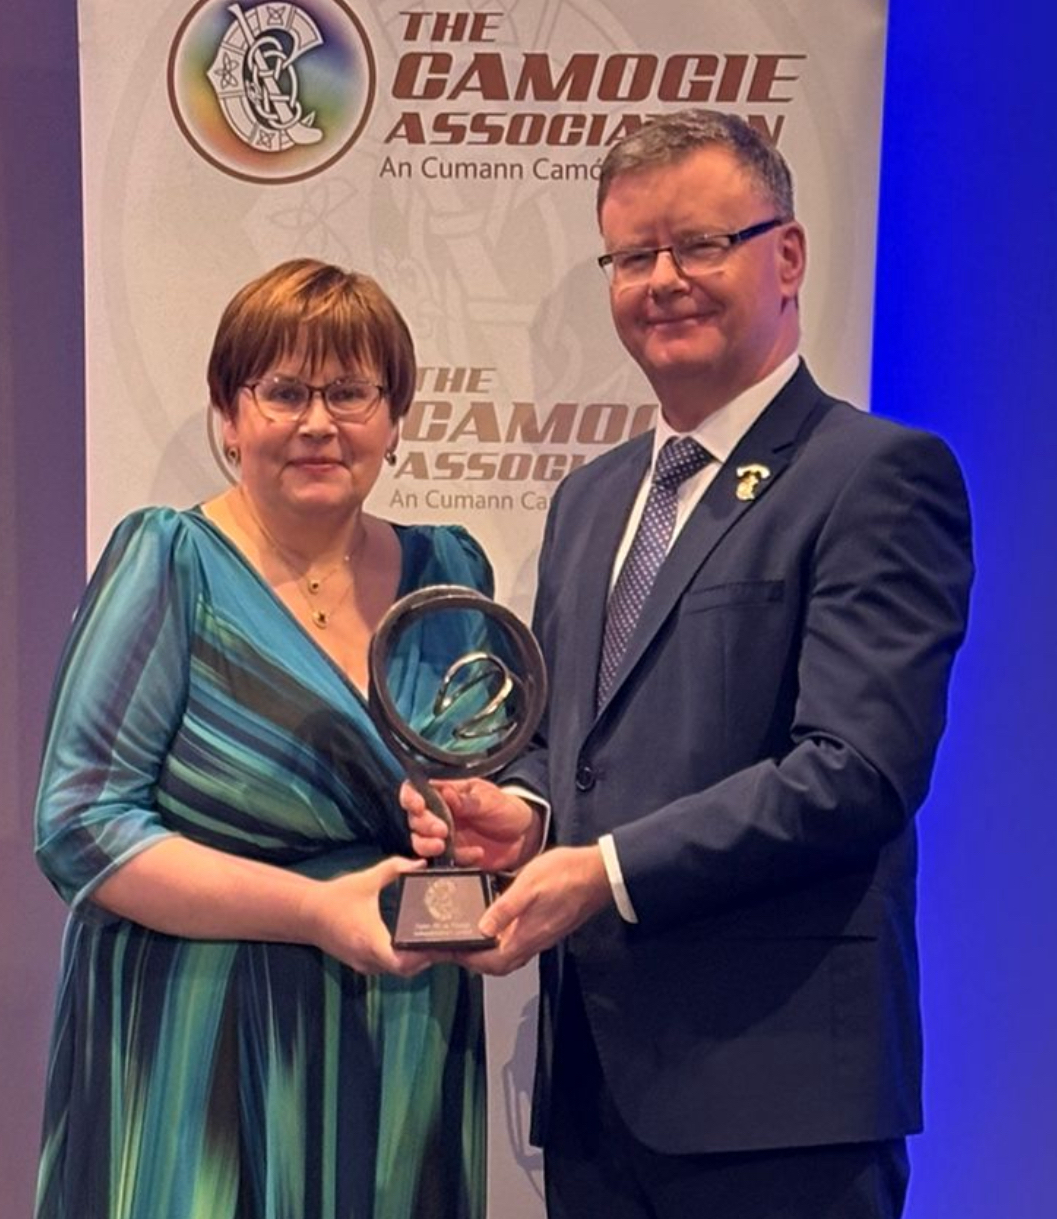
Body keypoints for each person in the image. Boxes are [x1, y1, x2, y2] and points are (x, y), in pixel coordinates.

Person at [404, 109, 974, 1218]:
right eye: (633, 256)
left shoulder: (875, 475)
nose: (662, 280)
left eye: (701, 244)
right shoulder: (589, 499)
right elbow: (569, 744)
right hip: (597, 1098)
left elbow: (855, 771)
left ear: (787, 256)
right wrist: (524, 816)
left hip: (781, 1105)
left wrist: (603, 869)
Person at [33, 258, 491, 1219]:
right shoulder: (169, 560)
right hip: (196, 1041)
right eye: (283, 391)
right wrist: (314, 911)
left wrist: (476, 821)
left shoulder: (450, 571)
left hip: (400, 1035)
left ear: (396, 417)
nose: (318, 423)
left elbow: (487, 782)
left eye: (351, 391)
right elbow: (80, 824)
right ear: (229, 415)